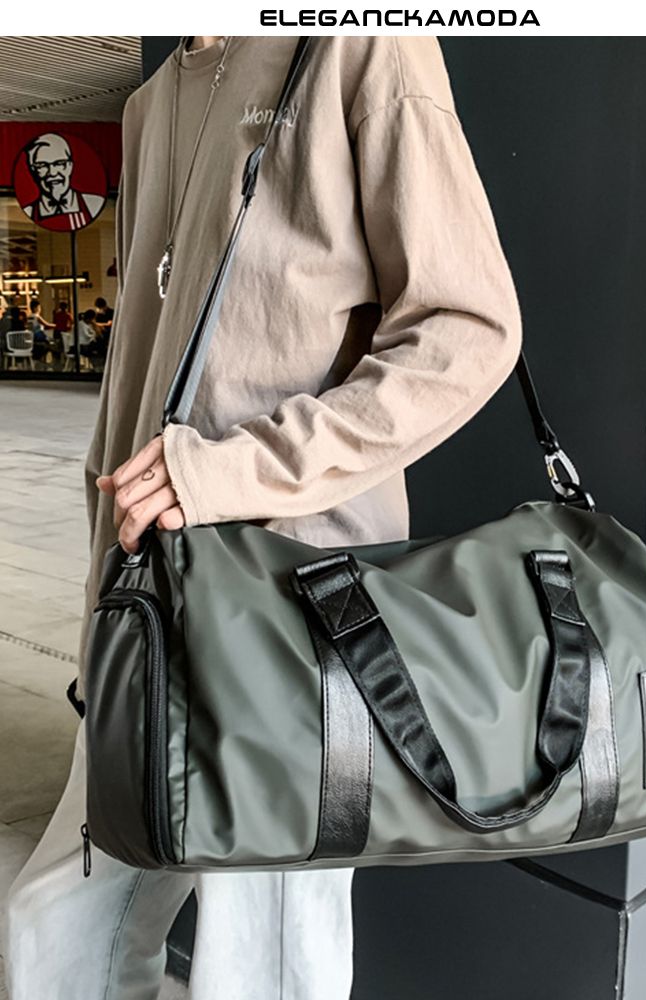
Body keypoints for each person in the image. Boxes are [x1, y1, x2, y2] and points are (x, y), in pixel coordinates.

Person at [4, 35, 523, 1000]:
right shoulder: (151, 102)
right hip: (147, 610)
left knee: (263, 962)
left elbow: (467, 328)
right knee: (61, 924)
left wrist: (230, 472)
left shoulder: (360, 43)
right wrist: (100, 605)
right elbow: (140, 378)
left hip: (291, 618)